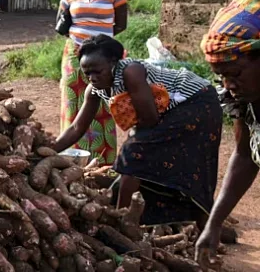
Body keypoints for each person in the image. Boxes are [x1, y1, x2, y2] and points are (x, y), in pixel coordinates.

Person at [54, 35, 221, 225]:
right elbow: (77, 127)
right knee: (141, 155)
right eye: (87, 73)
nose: (92, 77)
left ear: (113, 62)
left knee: (134, 155)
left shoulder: (131, 72)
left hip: (195, 101)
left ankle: (124, 219)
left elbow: (150, 118)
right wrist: (49, 151)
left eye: (97, 71)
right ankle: (177, 219)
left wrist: (132, 144)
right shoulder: (94, 90)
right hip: (168, 111)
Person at [195, 0, 260, 263]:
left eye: (234, 73)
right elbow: (245, 156)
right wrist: (214, 223)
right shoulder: (245, 101)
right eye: (220, 75)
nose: (228, 84)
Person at [57, 0, 128, 165]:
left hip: (104, 57)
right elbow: (60, 22)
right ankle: (70, 158)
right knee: (73, 104)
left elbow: (121, 24)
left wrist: (99, 43)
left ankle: (102, 161)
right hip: (74, 55)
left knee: (105, 105)